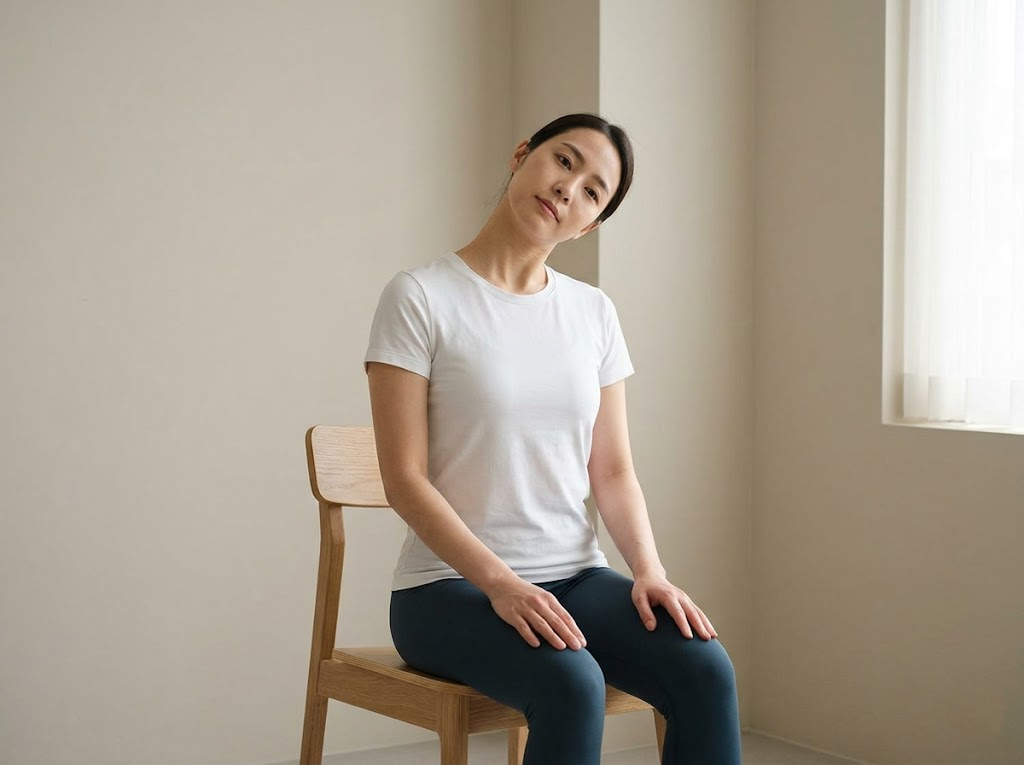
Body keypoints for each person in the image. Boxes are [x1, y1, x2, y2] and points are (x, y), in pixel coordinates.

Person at [363, 113, 741, 765]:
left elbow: (614, 471)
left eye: (593, 191)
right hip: (446, 589)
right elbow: (404, 478)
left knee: (704, 666)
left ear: (589, 224)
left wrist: (650, 573)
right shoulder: (420, 296)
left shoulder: (593, 312)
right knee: (572, 681)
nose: (570, 188)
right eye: (564, 162)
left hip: (573, 575)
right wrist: (503, 584)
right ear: (522, 155)